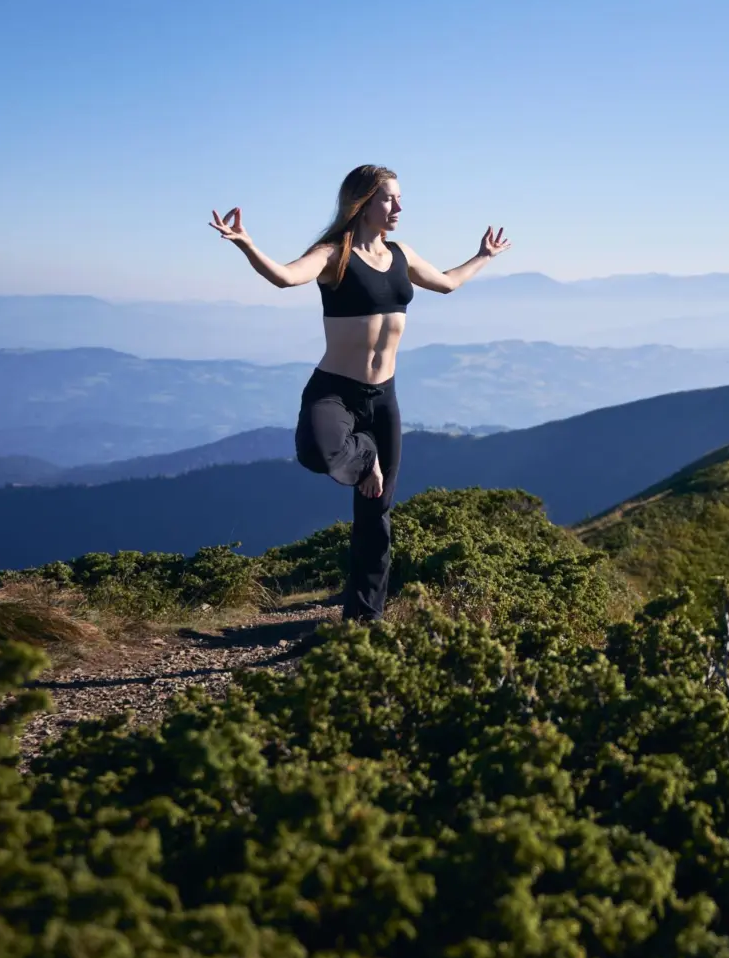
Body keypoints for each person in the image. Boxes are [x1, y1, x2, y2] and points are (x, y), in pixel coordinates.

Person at [208, 164, 511, 620]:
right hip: (336, 390)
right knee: (317, 452)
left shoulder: (401, 254)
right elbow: (286, 277)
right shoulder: (335, 254)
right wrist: (247, 244)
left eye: (399, 198)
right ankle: (364, 456)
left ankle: (364, 621)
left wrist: (483, 255)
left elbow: (447, 283)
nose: (399, 207)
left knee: (376, 516)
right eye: (389, 198)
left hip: (383, 399)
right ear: (362, 202)